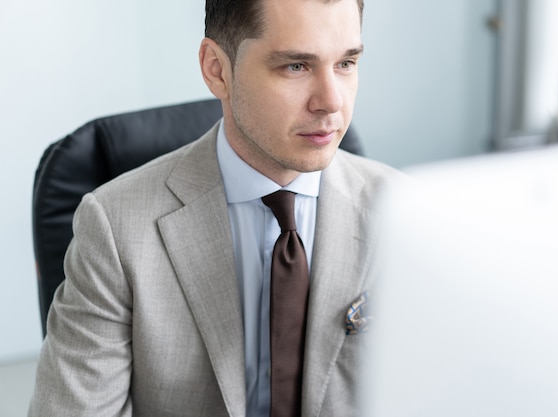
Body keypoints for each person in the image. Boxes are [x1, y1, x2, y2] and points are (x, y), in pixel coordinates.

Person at [29, 0, 400, 416]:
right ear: (216, 69)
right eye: (296, 66)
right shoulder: (115, 227)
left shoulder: (407, 215)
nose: (331, 102)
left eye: (346, 63)